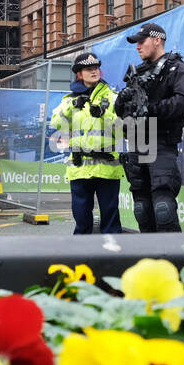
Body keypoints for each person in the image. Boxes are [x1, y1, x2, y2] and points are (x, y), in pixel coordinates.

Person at [114, 21, 184, 232]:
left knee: (163, 208)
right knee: (142, 208)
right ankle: (151, 259)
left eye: (141, 41)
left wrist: (152, 109)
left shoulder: (176, 68)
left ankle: (174, 259)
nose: (137, 46)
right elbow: (123, 112)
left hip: (161, 143)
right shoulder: (137, 72)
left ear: (157, 40)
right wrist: (122, 101)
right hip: (137, 143)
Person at [51, 51, 122, 234]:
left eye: (96, 68)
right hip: (79, 167)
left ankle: (114, 260)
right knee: (82, 222)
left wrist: (105, 115)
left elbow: (125, 130)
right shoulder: (69, 100)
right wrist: (72, 106)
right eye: (88, 69)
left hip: (107, 167)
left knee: (111, 222)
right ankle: (81, 259)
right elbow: (56, 123)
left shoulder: (113, 98)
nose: (94, 71)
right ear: (79, 73)